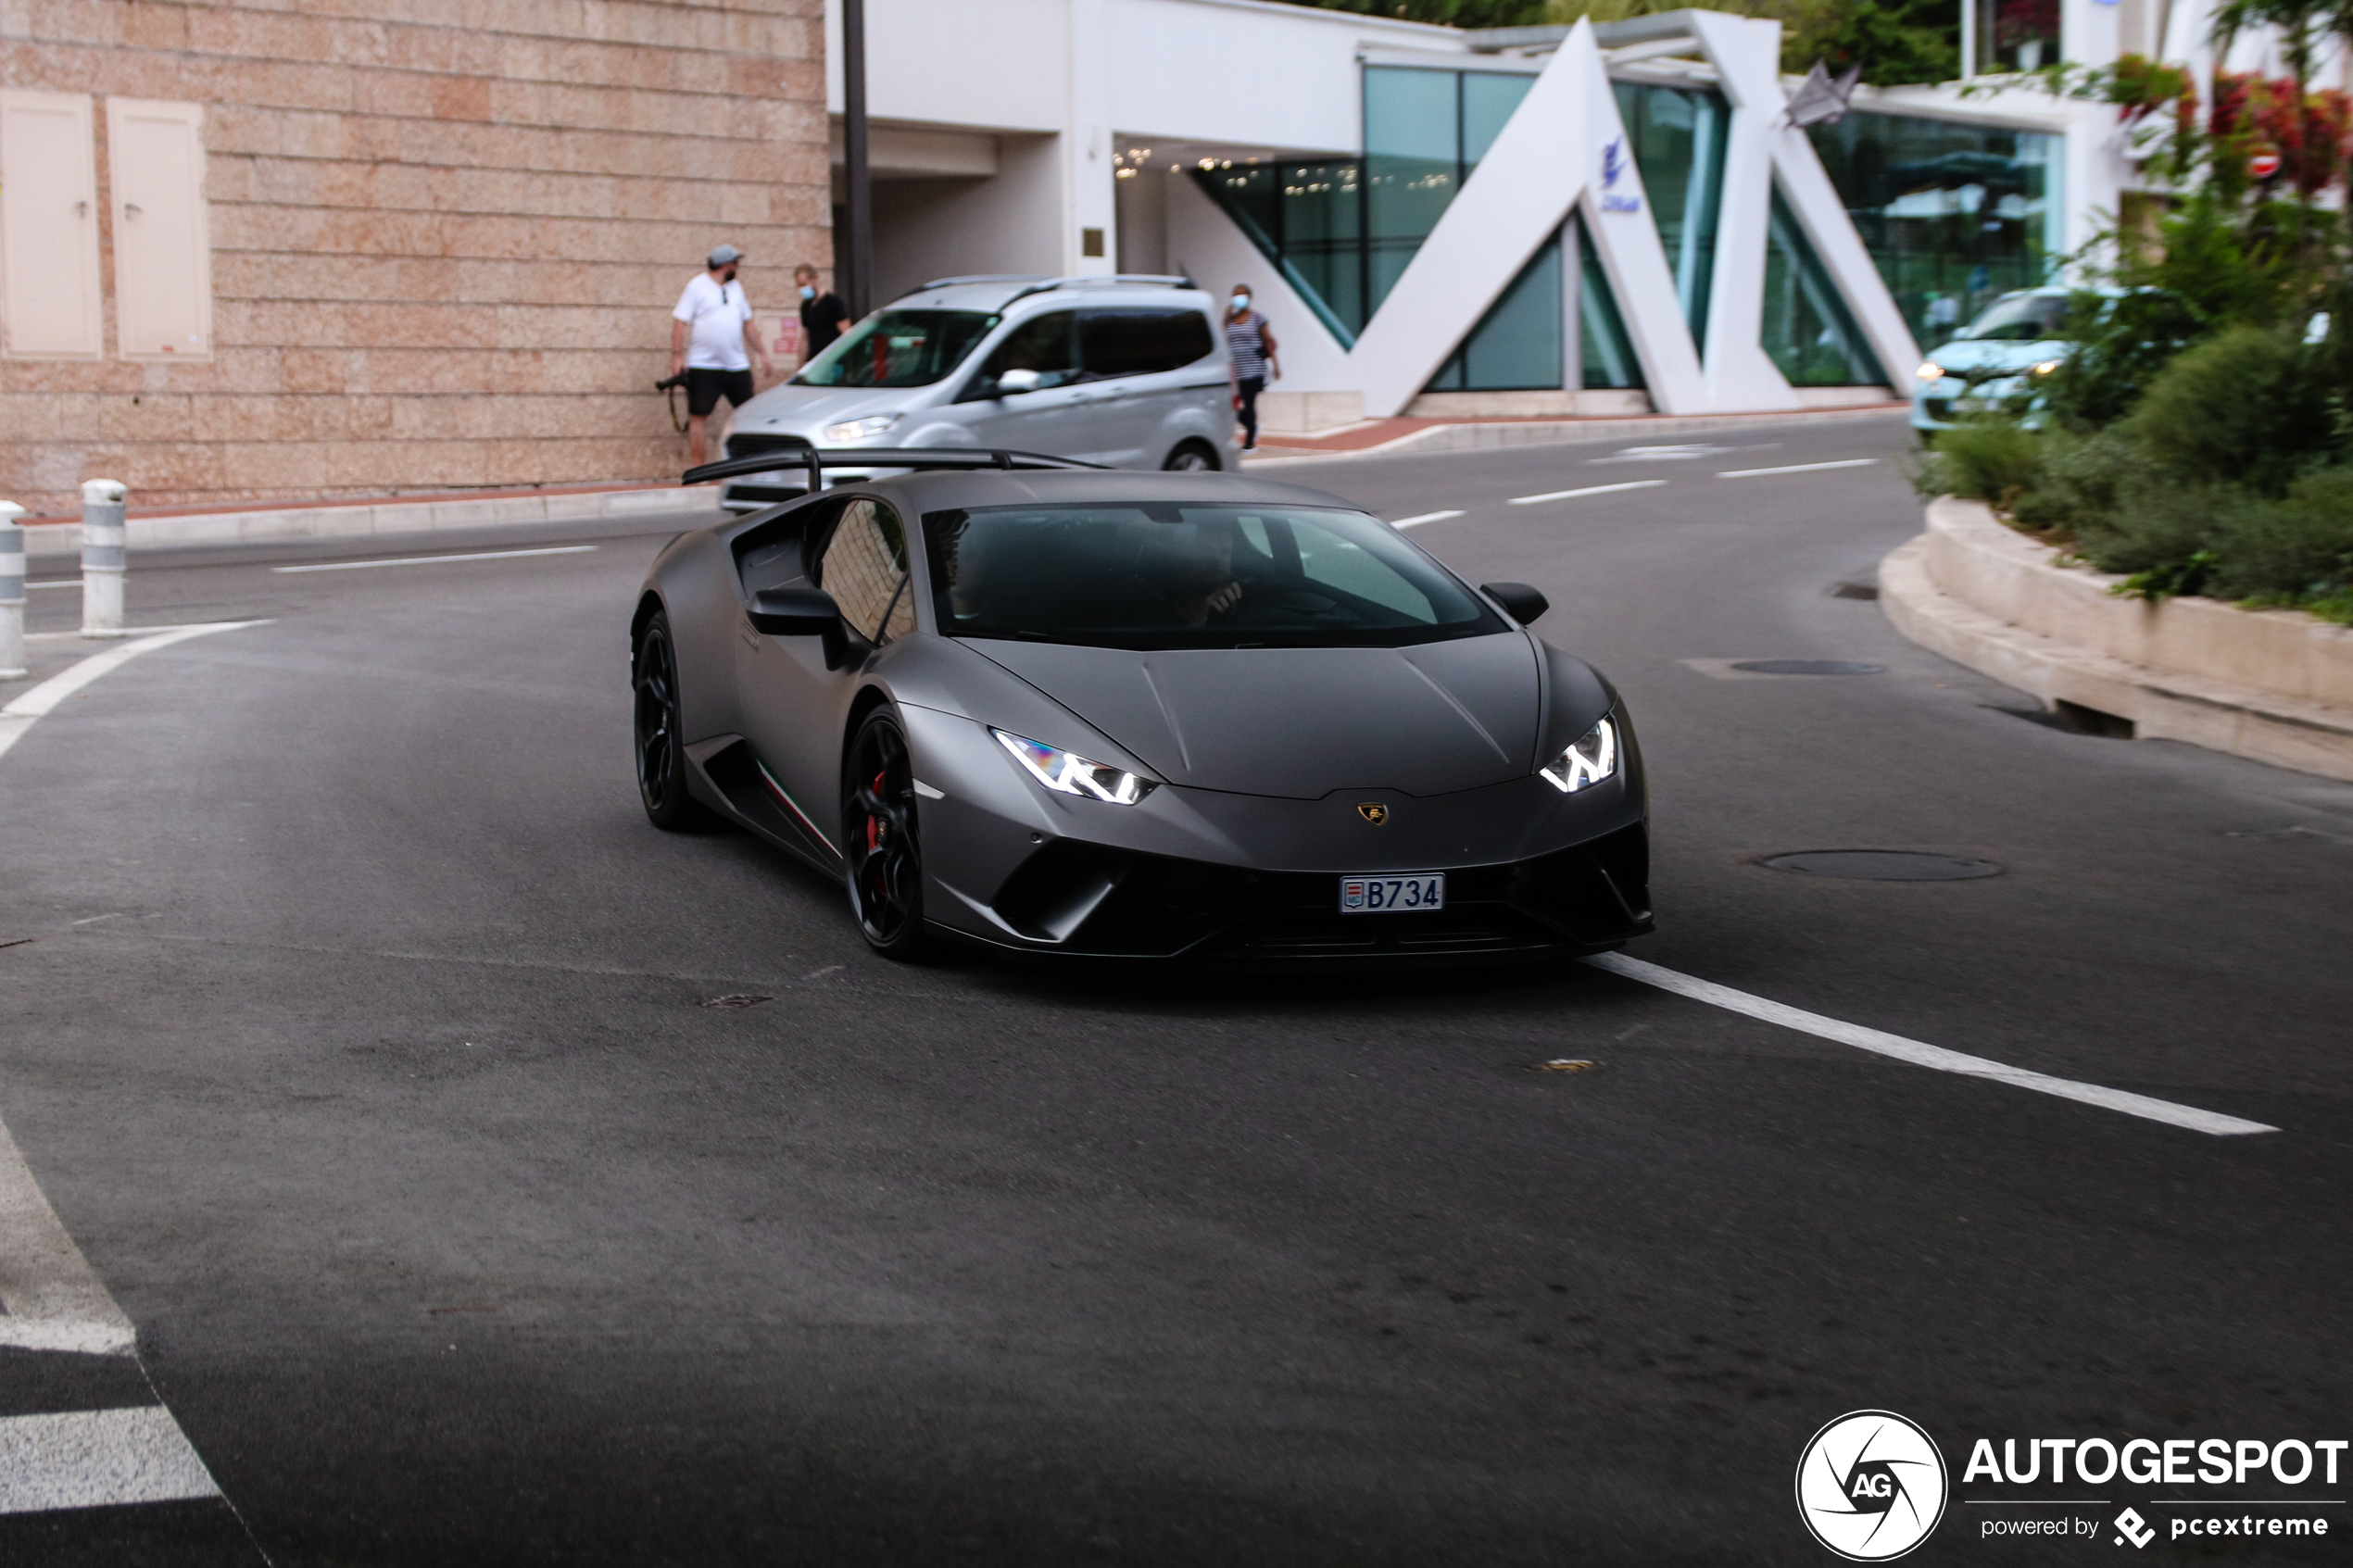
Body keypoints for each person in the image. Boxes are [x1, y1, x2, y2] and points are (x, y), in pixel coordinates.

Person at [671, 245, 773, 470]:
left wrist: (762, 352)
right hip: (704, 365)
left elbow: (748, 323)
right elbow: (680, 321)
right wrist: (677, 355)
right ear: (726, 265)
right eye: (735, 263)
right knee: (699, 415)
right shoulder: (696, 286)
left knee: (748, 413)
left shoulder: (736, 288)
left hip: (736, 365)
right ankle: (699, 466)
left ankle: (751, 465)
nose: (737, 267)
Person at [1225, 285, 1280, 453]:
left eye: (1242, 295)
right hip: (1236, 371)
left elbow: (1268, 341)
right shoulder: (1230, 320)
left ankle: (1249, 442)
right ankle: (1253, 427)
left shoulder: (1257, 318)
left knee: (1248, 403)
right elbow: (1224, 338)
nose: (1238, 299)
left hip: (1254, 368)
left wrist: (1276, 365)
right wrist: (1226, 316)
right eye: (1235, 296)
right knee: (1233, 407)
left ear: (1249, 298)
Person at [797, 264, 849, 359]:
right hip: (815, 360)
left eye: (804, 284)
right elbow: (805, 336)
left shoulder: (833, 301)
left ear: (814, 279)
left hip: (832, 359)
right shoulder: (805, 306)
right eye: (799, 286)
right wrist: (800, 366)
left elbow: (846, 331)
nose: (802, 289)